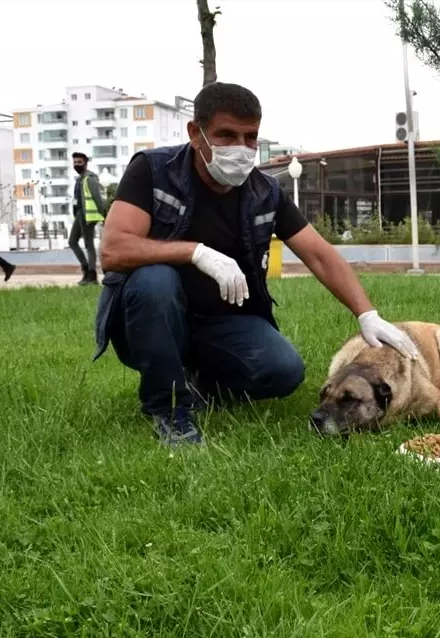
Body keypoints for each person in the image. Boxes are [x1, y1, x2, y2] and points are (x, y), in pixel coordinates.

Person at [95, 82, 419, 446]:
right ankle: (169, 407)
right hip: (150, 320)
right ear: (195, 133)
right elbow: (114, 249)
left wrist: (366, 314)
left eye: (250, 137)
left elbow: (318, 253)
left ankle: (198, 382)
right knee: (155, 281)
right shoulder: (153, 171)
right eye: (226, 135)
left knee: (284, 370)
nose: (242, 148)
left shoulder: (264, 192)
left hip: (218, 324)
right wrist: (195, 252)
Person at [70, 152, 108, 286]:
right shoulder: (79, 179)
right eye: (75, 162)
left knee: (89, 245)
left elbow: (97, 198)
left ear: (85, 163)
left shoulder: (90, 178)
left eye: (79, 162)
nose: (76, 165)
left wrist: (104, 214)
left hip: (88, 216)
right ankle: (86, 270)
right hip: (79, 214)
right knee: (72, 241)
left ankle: (91, 276)